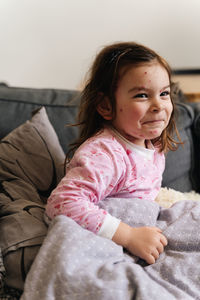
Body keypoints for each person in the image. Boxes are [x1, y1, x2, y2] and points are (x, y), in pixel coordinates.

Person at [46, 42, 181, 265]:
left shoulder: (154, 145)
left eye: (164, 93)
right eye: (142, 95)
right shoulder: (105, 153)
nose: (158, 105)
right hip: (112, 241)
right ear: (106, 106)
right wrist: (129, 236)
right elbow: (62, 203)